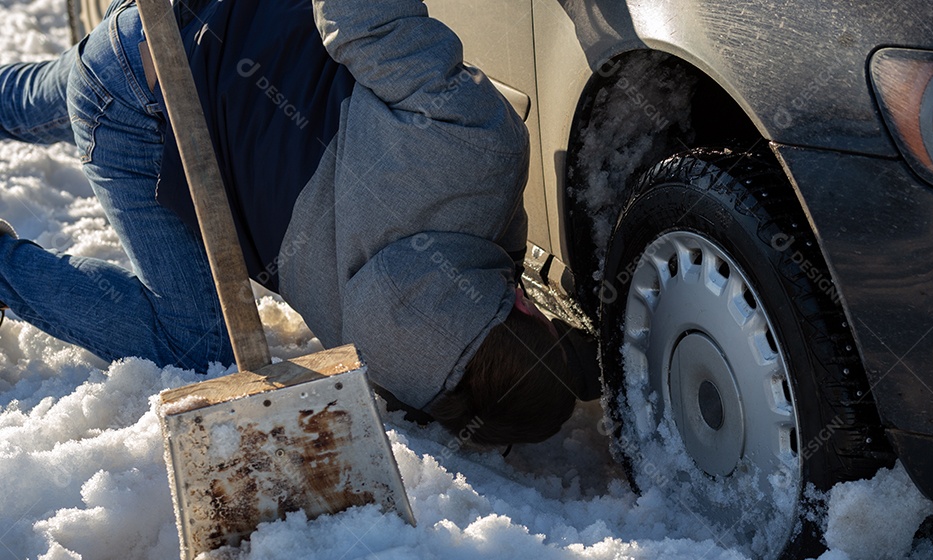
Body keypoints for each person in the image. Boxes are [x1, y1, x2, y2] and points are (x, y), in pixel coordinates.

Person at [0, 0, 597, 444]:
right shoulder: (390, 372)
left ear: (525, 311)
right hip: (156, 64)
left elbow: (362, 15)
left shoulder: (478, 149)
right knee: (82, 85)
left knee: (194, 344)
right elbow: (468, 358)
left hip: (159, 78)